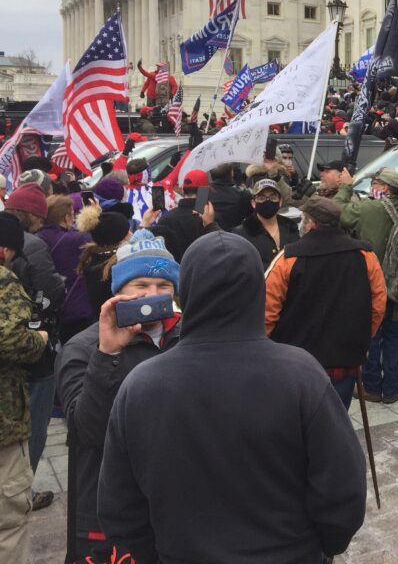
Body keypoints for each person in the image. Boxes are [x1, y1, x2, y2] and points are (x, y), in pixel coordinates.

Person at [97, 233, 367, 563]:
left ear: (188, 289)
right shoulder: (300, 374)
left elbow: (119, 508)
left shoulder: (140, 385)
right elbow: (344, 488)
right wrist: (323, 546)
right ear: (257, 288)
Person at [56, 229, 182, 561]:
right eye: (141, 286)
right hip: (108, 513)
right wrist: (107, 353)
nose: (153, 295)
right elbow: (88, 431)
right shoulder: (82, 348)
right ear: (119, 290)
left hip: (175, 505)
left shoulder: (188, 337)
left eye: (163, 287)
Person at [265, 197, 386, 410]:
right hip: (344, 359)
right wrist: (363, 339)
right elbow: (377, 304)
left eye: (302, 218)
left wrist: (269, 352)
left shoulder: (288, 258)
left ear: (311, 223)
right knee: (336, 420)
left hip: (296, 362)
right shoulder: (364, 255)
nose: (301, 223)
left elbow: (266, 313)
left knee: (297, 424)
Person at [3, 183, 65, 511]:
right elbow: (50, 292)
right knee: (34, 429)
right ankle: (23, 491)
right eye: (39, 218)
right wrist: (38, 335)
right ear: (29, 216)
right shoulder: (32, 245)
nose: (42, 224)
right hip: (33, 353)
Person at [335, 166, 398, 403]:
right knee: (394, 333)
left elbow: (337, 212)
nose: (371, 187)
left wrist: (346, 186)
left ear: (383, 187)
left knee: (373, 332)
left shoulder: (368, 208)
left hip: (371, 282)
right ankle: (392, 387)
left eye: (375, 183)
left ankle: (371, 386)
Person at [0, 212, 47, 564]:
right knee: (9, 523)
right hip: (4, 422)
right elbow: (14, 340)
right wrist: (41, 338)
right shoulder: (4, 282)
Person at [36, 195, 92, 343]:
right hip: (77, 308)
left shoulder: (36, 237)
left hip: (48, 307)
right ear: (67, 217)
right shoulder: (77, 239)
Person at [149, 169, 218, 262]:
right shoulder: (209, 219)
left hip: (174, 272)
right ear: (205, 191)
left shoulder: (165, 218)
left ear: (182, 190)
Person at [232, 178, 300, 269]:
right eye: (261, 198)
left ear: (280, 202)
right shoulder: (242, 233)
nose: (267, 201)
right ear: (253, 203)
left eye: (273, 198)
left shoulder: (290, 226)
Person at [208, 163, 249, 230]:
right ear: (231, 173)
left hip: (211, 234)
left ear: (211, 174)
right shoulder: (242, 193)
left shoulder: (203, 193)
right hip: (237, 235)